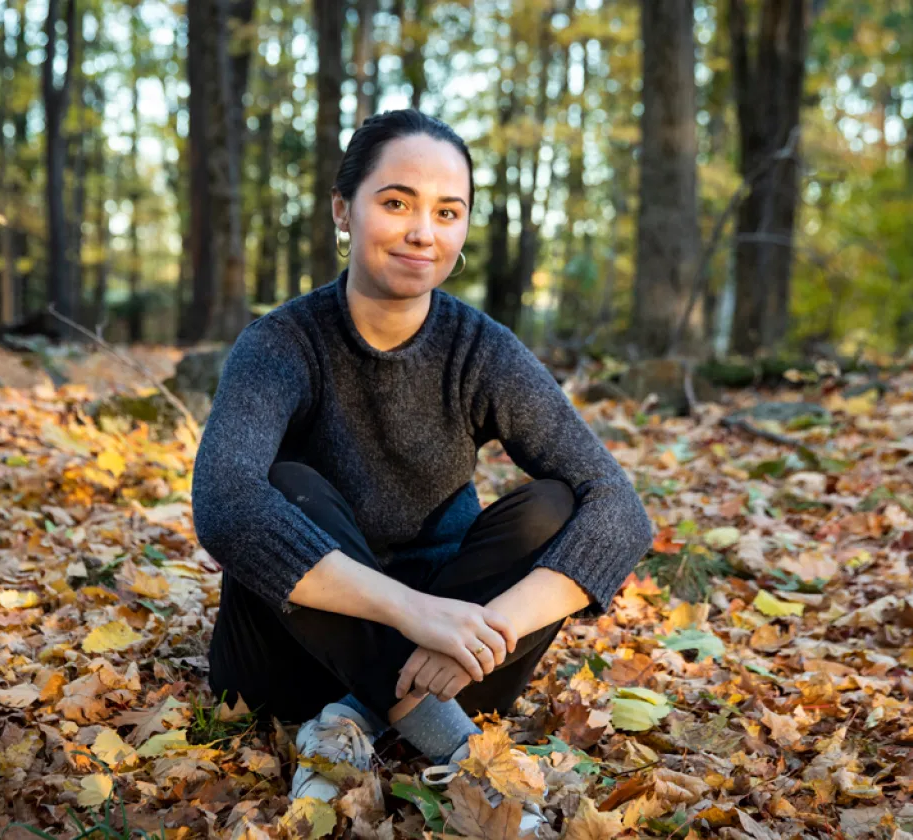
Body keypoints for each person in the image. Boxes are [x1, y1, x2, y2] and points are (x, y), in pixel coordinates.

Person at [191, 109, 653, 831]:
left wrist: (486, 625)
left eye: (448, 211)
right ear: (344, 209)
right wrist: (412, 613)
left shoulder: (481, 349)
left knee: (554, 504)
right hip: (287, 656)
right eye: (397, 202)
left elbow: (619, 507)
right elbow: (222, 502)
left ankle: (353, 722)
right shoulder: (280, 344)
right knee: (282, 487)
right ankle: (453, 745)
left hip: (454, 659)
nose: (423, 232)